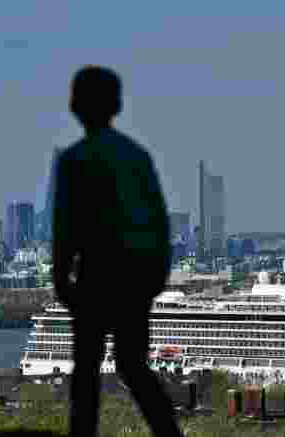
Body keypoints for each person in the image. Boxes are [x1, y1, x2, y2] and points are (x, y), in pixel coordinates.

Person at [52, 66, 182, 437]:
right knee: (133, 365)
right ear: (117, 104)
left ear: (76, 104)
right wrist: (155, 277)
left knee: (87, 371)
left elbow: (67, 227)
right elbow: (159, 220)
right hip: (136, 275)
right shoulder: (136, 156)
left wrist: (62, 278)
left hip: (96, 275)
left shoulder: (75, 158)